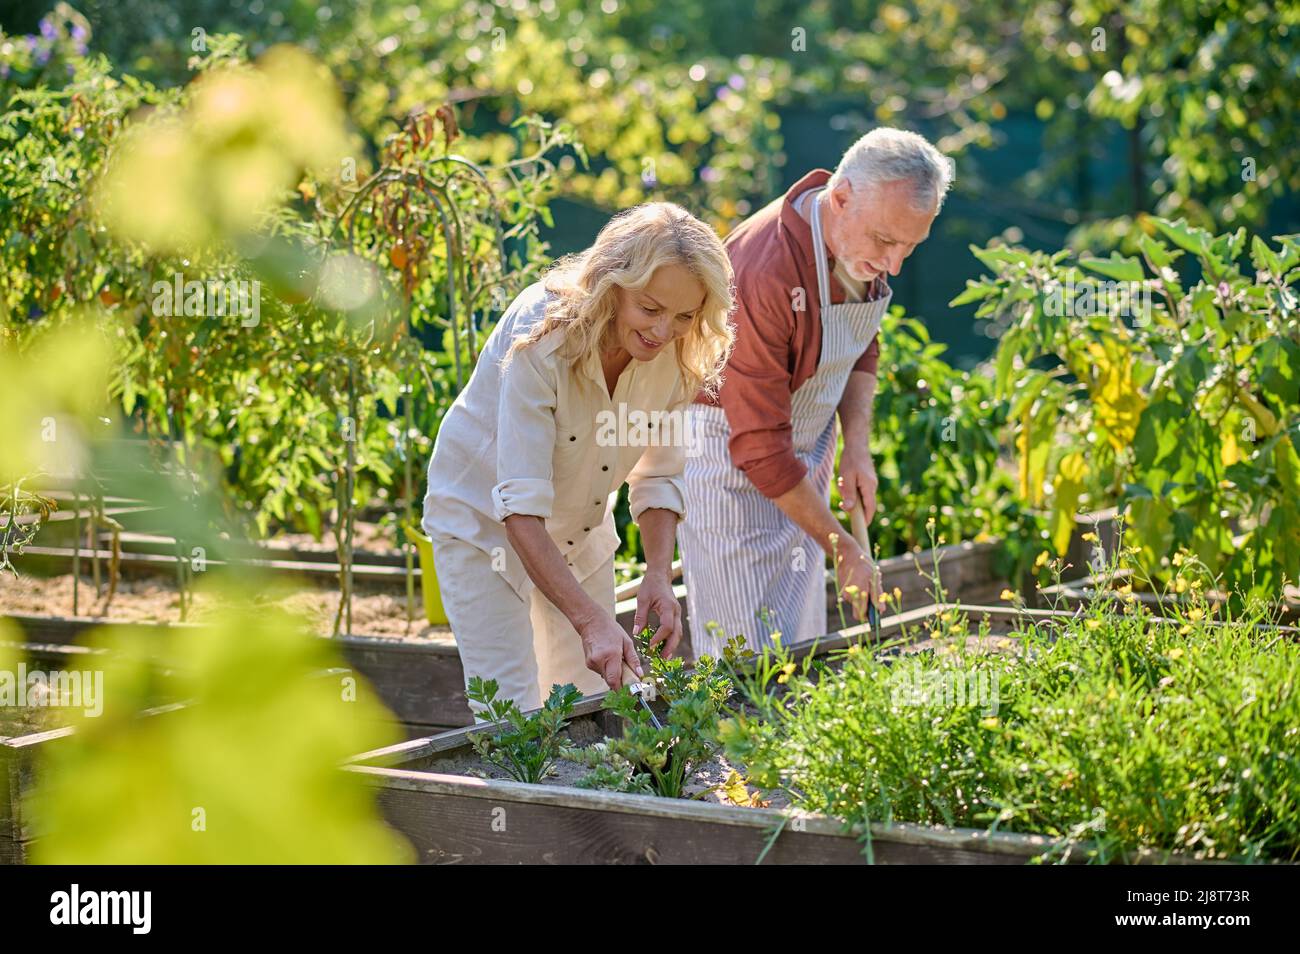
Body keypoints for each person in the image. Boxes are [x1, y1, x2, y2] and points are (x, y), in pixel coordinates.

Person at [422, 202, 734, 718]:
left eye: (684, 316)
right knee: (514, 719)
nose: (664, 331)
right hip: (485, 529)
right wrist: (590, 621)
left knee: (589, 709)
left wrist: (658, 573)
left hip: (579, 532)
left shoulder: (678, 357)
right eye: (650, 309)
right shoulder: (543, 336)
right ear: (613, 284)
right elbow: (519, 508)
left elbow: (658, 475)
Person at [678, 127, 954, 656]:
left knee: (798, 650)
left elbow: (860, 345)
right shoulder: (766, 271)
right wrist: (843, 546)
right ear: (843, 197)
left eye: (910, 247)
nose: (894, 265)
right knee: (744, 663)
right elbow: (758, 444)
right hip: (729, 462)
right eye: (886, 242)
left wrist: (857, 448)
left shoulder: (858, 247)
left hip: (805, 456)